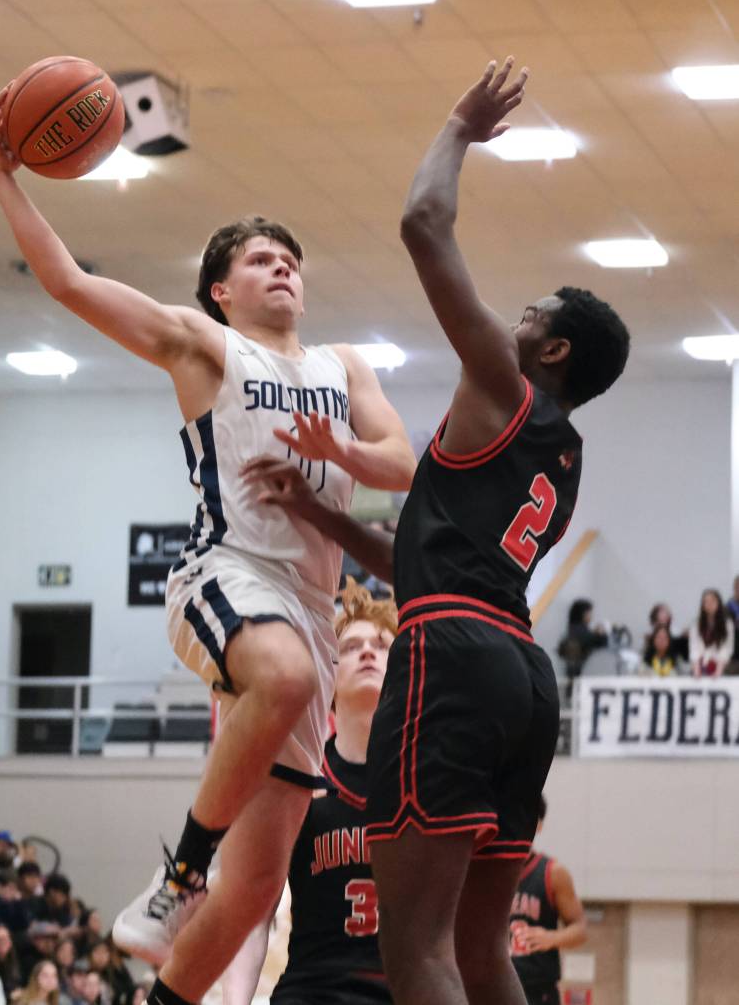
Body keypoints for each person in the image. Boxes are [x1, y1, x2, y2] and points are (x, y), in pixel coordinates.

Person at [0, 69, 415, 1005]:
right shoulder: (205, 346)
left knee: (260, 884)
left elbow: (403, 464)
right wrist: (6, 177)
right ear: (221, 289)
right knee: (292, 678)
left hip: (304, 603)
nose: (283, 268)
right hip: (224, 573)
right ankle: (176, 873)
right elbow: (66, 280)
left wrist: (333, 444)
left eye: (292, 258)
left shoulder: (346, 366)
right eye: (261, 259)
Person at [245, 58, 629, 1005]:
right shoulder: (561, 455)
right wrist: (316, 507)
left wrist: (459, 125)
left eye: (531, 312)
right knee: (481, 948)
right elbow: (423, 562)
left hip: (451, 658)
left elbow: (423, 224)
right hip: (519, 671)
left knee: (415, 955)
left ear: (552, 349)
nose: (515, 314)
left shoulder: (505, 383)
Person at [223, 580, 396, 1005]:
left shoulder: (428, 782)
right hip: (312, 990)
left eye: (382, 645)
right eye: (352, 647)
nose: (369, 652)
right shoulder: (299, 779)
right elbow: (255, 917)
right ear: (328, 677)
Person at [510, 798, 587, 1005]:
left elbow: (581, 929)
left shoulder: (553, 873)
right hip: (491, 985)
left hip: (538, 989)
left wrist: (552, 938)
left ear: (538, 825)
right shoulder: (483, 874)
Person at [557, 600, 607, 681]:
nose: (591, 616)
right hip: (577, 677)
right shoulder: (581, 632)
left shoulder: (572, 629)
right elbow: (601, 641)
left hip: (571, 676)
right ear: (582, 614)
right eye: (589, 613)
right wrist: (601, 633)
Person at [689, 589, 734, 677]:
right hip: (700, 663)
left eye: (712, 601)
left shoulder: (727, 624)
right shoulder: (696, 624)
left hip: (721, 664)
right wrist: (696, 667)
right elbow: (694, 647)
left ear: (718, 603)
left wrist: (719, 669)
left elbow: (727, 648)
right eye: (706, 601)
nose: (709, 604)